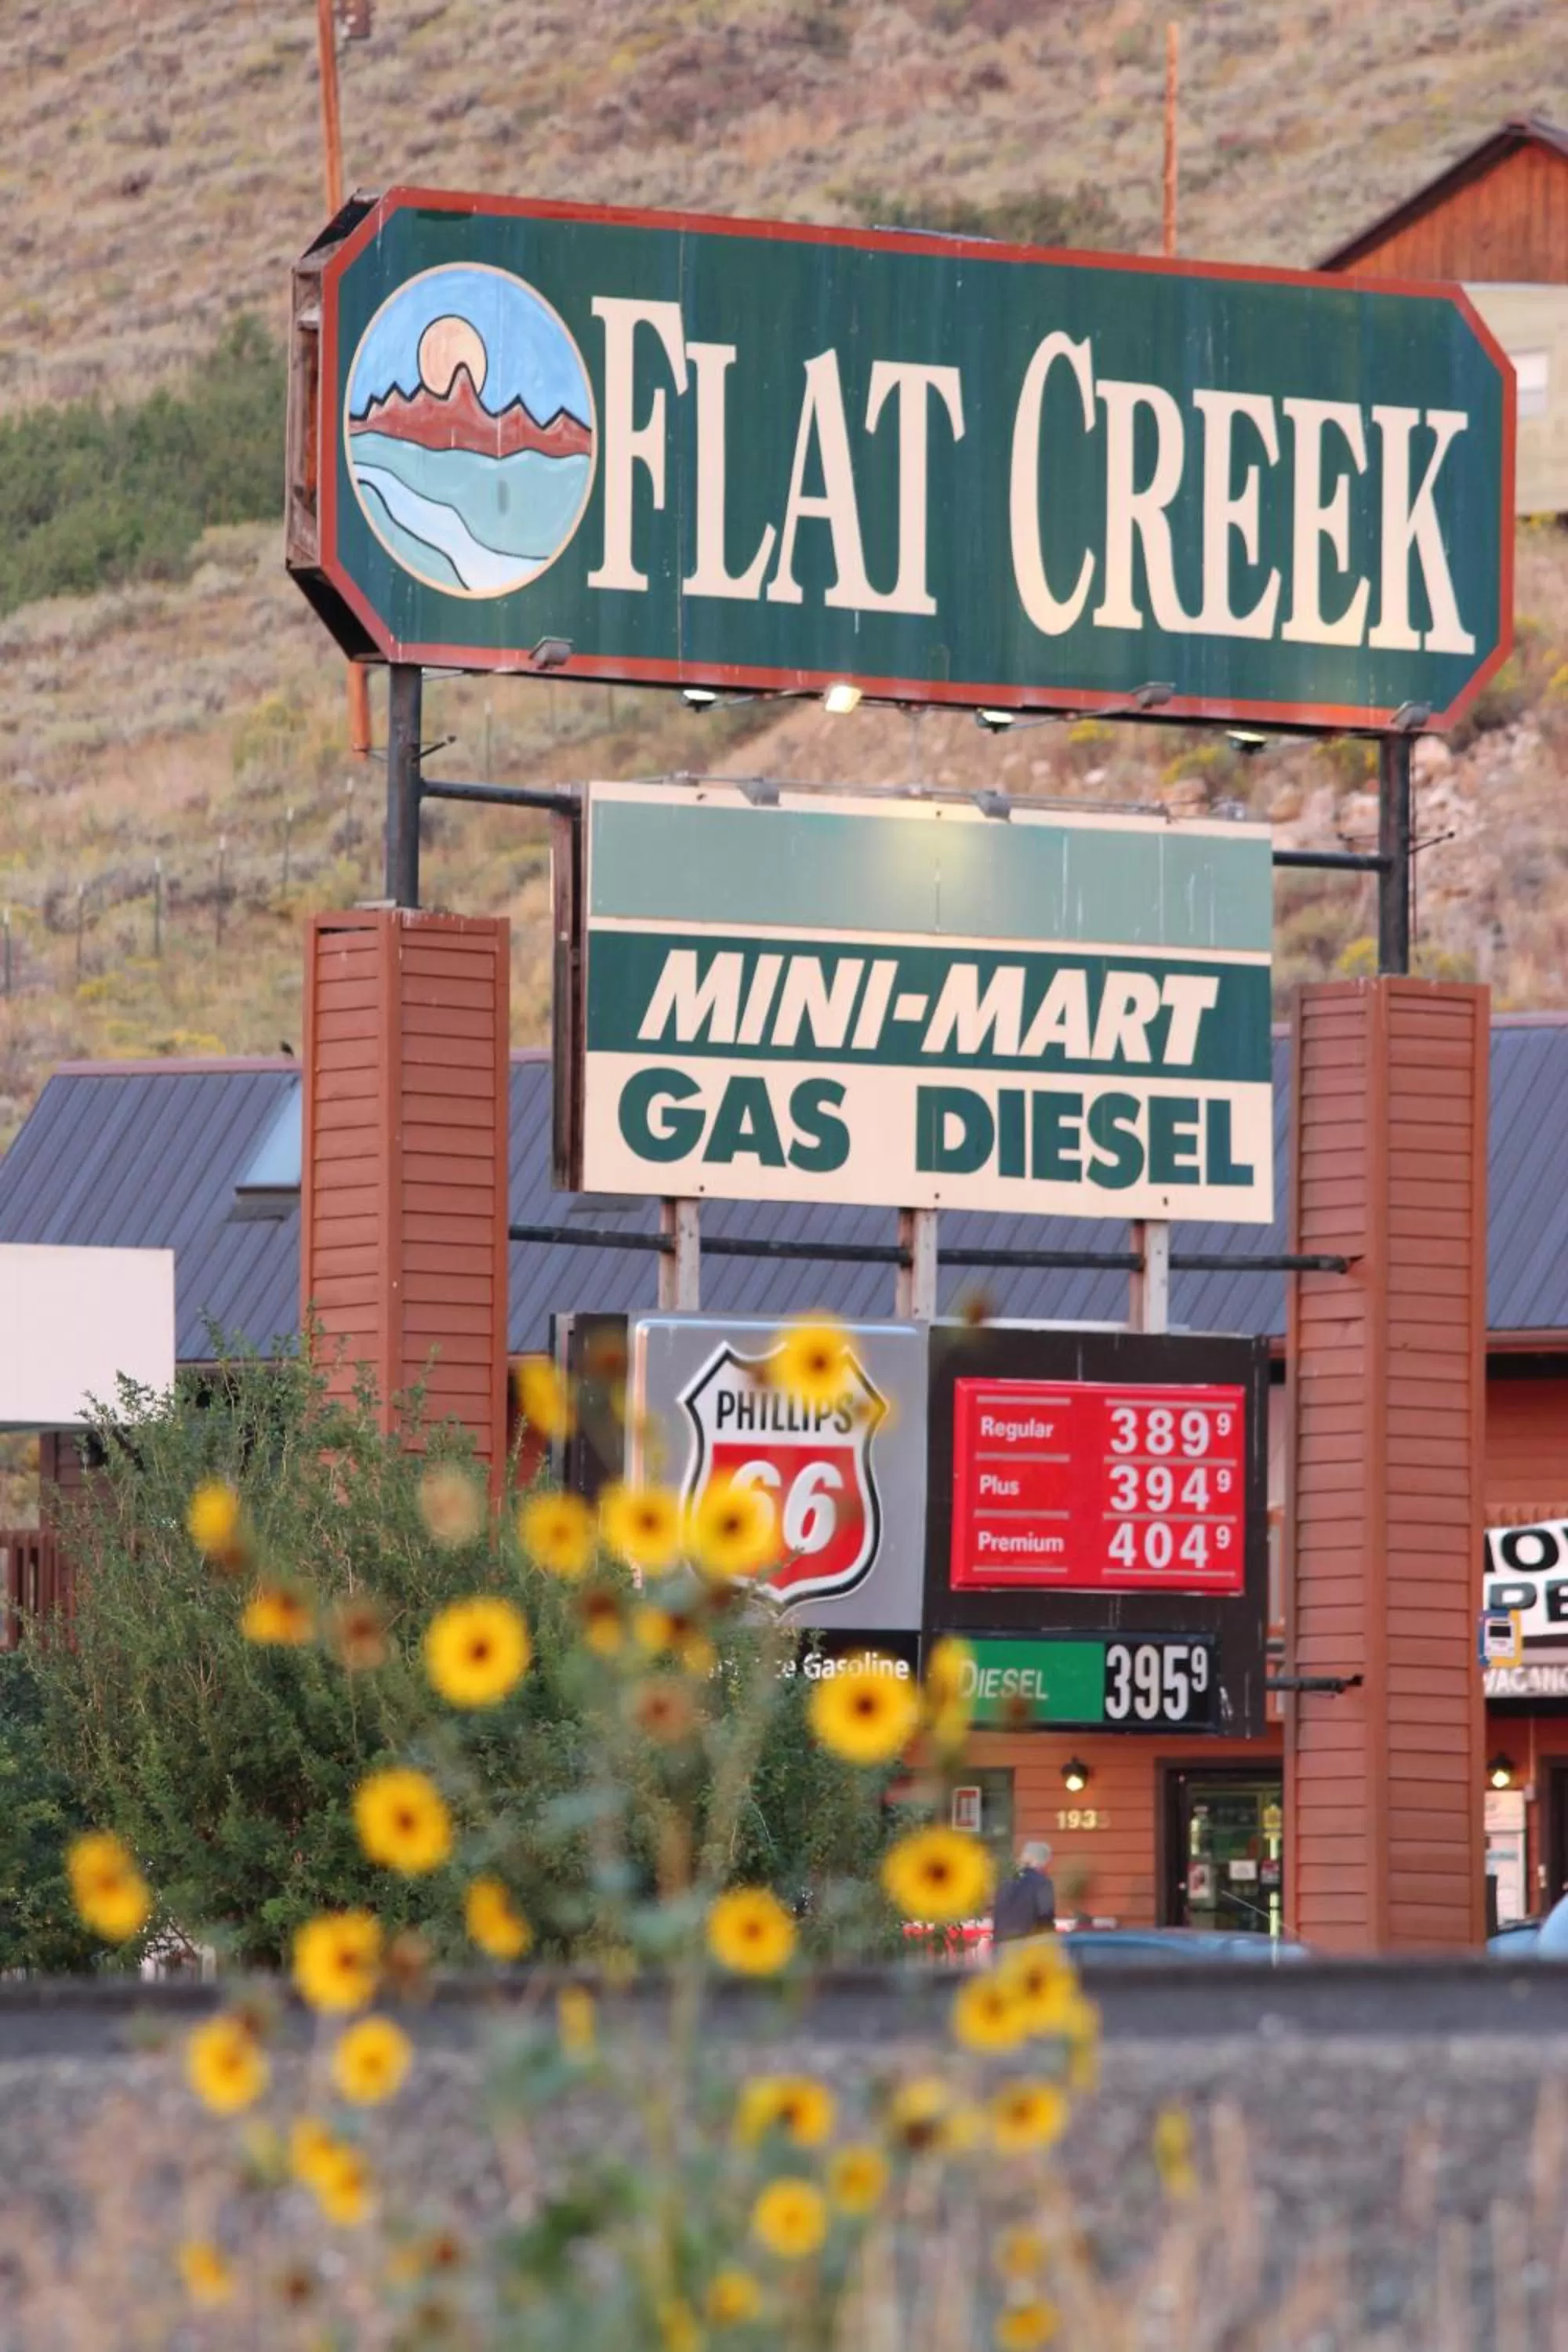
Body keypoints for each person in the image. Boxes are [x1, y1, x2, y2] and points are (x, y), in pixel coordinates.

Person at [992, 1840, 1057, 1944]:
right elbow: (1045, 1915)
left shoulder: (1006, 1881)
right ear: (1040, 1860)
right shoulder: (1042, 1883)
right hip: (1027, 1945)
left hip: (1002, 1943)